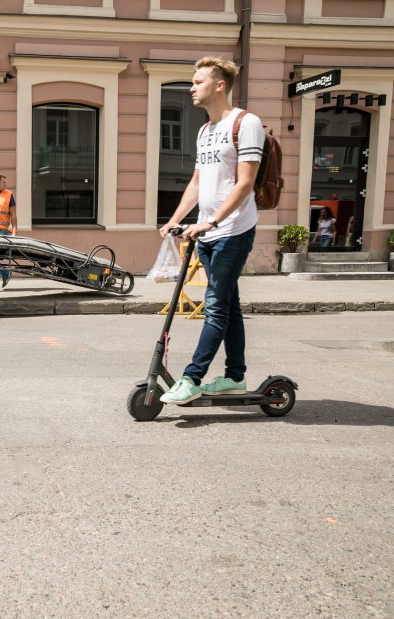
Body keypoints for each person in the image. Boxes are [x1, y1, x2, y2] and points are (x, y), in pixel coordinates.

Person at [158, 56, 264, 404]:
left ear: (219, 85)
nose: (191, 87)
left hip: (233, 231)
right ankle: (235, 377)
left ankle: (192, 378)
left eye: (198, 81)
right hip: (206, 233)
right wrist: (176, 218)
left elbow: (245, 183)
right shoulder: (204, 130)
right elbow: (197, 182)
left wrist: (213, 220)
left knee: (215, 306)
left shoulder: (246, 123)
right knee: (229, 307)